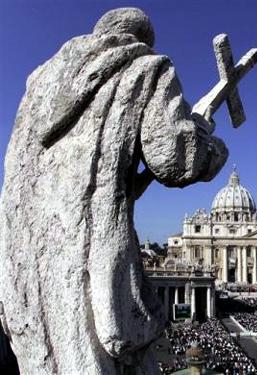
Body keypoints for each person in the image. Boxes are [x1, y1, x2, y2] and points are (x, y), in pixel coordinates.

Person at [0, 8, 228, 374]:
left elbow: (84, 178)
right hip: (91, 255)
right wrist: (209, 142)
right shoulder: (147, 66)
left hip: (24, 267)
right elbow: (175, 158)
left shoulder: (39, 86)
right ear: (141, 39)